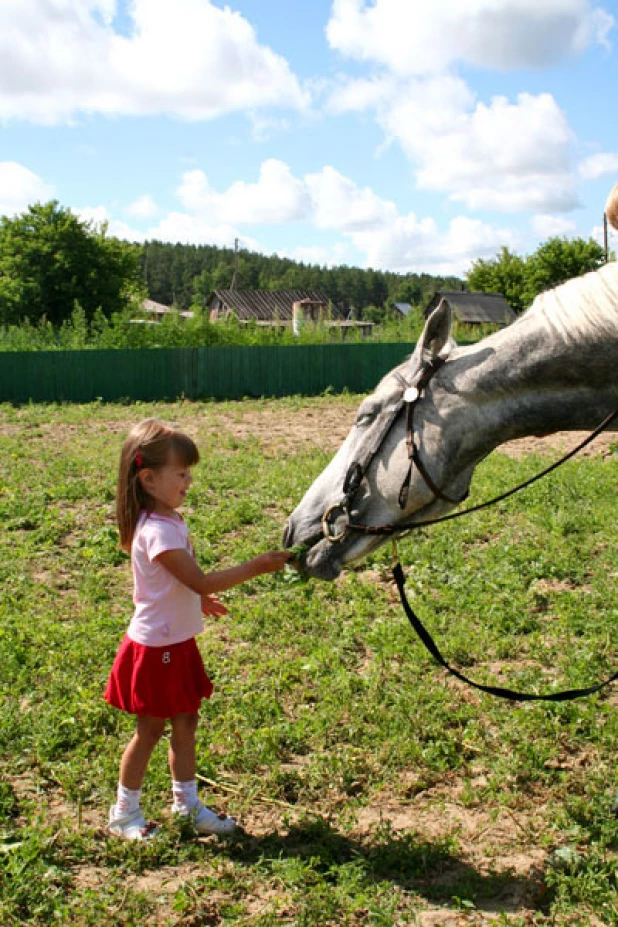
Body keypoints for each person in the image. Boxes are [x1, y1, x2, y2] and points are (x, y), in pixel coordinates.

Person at [104, 418, 291, 840]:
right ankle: (124, 814)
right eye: (181, 473)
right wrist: (256, 566)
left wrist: (197, 599)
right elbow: (200, 578)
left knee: (186, 723)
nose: (189, 481)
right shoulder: (157, 532)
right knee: (150, 731)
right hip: (155, 649)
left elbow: (180, 582)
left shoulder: (169, 521)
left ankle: (186, 805)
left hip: (177, 641)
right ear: (149, 479)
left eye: (190, 472)